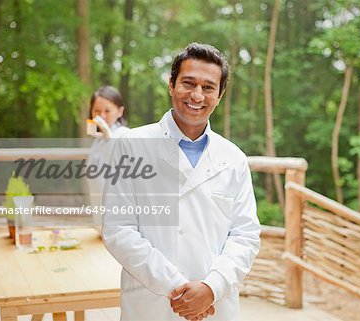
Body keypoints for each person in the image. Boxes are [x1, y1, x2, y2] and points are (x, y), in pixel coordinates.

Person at [102, 43, 261, 321]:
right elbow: (119, 229)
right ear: (171, 84)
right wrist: (178, 289)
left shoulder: (233, 158)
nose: (197, 95)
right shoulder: (131, 146)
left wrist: (212, 288)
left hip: (215, 306)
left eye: (208, 87)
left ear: (220, 95)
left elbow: (245, 235)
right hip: (151, 305)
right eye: (188, 83)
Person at [86, 86, 130, 231]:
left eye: (107, 110)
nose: (101, 116)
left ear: (120, 111)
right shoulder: (98, 140)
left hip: (121, 221)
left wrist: (108, 138)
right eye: (97, 111)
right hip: (101, 220)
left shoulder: (126, 135)